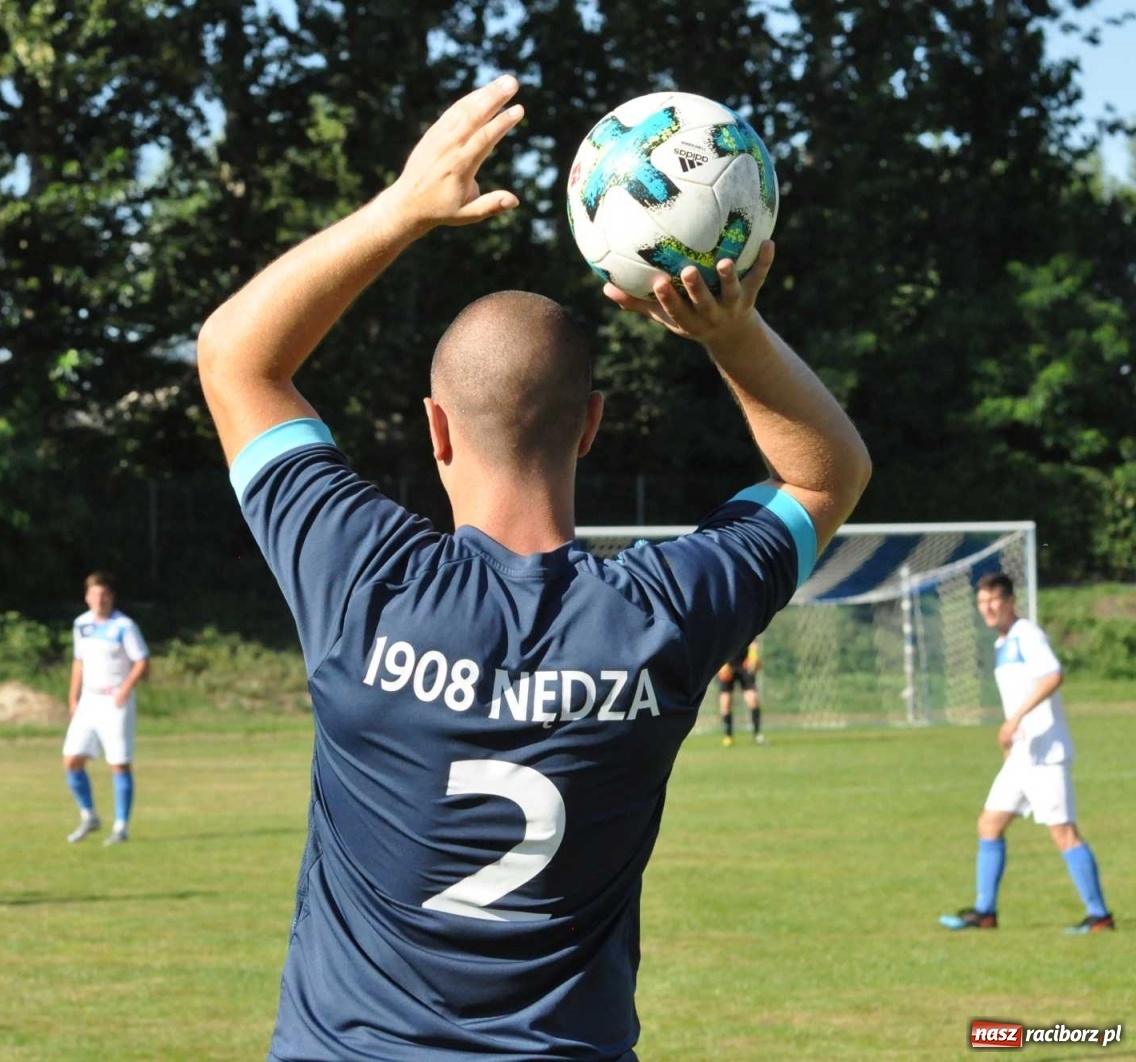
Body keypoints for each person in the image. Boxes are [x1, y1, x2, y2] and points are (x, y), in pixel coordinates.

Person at [196, 76, 870, 1060]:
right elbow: (825, 475)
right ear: (591, 426)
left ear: (435, 430)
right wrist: (730, 331)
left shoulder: (362, 581)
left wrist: (402, 209)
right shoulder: (660, 617)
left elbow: (235, 358)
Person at [941, 572, 1114, 934]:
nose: (987, 609)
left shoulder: (1027, 635)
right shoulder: (1002, 643)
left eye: (993, 601)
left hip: (1045, 753)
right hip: (1022, 755)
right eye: (981, 603)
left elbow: (1052, 675)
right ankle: (985, 912)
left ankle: (1099, 917)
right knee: (990, 823)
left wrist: (1016, 717)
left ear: (1009, 602)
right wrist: (1011, 735)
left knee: (1063, 832)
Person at [63, 572, 149, 846]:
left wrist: (125, 688)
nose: (99, 599)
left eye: (104, 594)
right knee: (72, 759)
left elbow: (141, 660)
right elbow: (79, 661)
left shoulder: (124, 626)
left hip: (115, 700)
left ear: (111, 597)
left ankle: (121, 825)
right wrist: (73, 696)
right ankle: (89, 815)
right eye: (94, 594)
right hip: (89, 698)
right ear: (87, 597)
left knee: (118, 762)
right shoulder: (82, 625)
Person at [715, 639, 766, 746]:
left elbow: (753, 641)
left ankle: (757, 735)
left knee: (753, 700)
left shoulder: (743, 622)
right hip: (726, 665)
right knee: (726, 702)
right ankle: (728, 736)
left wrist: (753, 657)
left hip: (744, 665)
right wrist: (721, 664)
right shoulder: (720, 625)